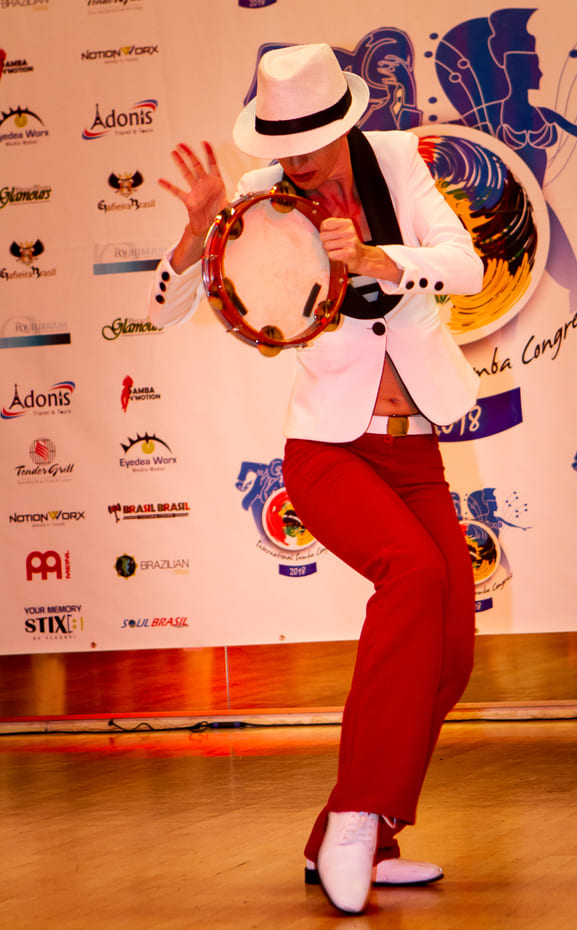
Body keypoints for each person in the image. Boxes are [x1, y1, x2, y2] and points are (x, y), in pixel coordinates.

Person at [148, 43, 483, 915]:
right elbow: (168, 308)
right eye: (281, 144)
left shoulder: (401, 164)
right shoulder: (263, 197)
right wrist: (197, 233)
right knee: (412, 576)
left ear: (345, 121)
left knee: (450, 654)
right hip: (329, 449)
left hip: (416, 451)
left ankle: (349, 831)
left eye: (309, 142)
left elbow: (467, 265)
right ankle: (362, 816)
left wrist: (375, 257)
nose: (295, 160)